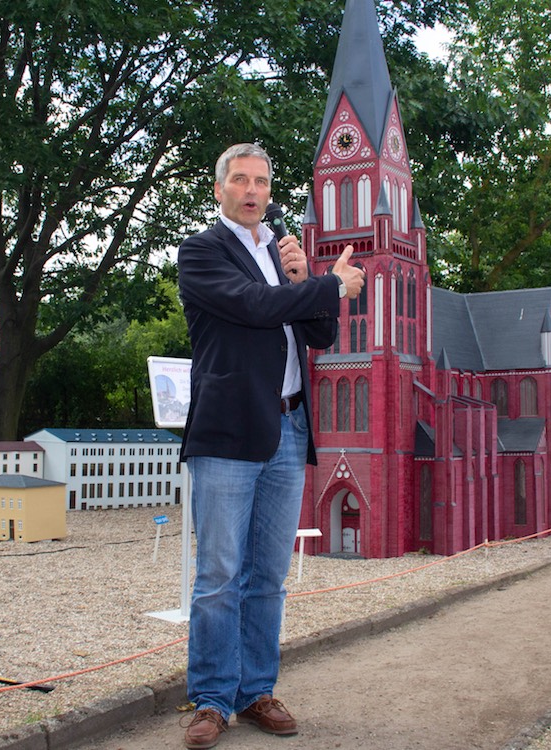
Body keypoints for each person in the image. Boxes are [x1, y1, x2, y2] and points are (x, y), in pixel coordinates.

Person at [177, 143, 365, 749]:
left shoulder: (283, 249)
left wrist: (308, 280)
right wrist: (332, 285)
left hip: (288, 429)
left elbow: (318, 332)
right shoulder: (203, 251)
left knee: (269, 575)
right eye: (240, 180)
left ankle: (256, 690)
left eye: (260, 180)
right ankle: (210, 699)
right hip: (230, 433)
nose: (252, 190)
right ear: (220, 190)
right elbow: (253, 308)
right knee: (219, 573)